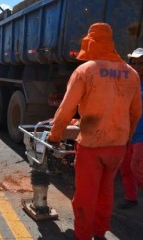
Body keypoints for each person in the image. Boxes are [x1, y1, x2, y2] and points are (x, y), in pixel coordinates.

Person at [46, 23, 142, 240]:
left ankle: (83, 236)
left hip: (91, 145)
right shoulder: (132, 73)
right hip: (117, 146)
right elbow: (136, 112)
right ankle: (99, 232)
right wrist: (127, 138)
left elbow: (65, 110)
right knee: (106, 192)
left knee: (85, 196)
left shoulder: (86, 70)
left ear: (91, 43)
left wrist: (54, 135)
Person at [118, 48, 143, 209]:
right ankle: (131, 198)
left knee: (137, 167)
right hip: (128, 133)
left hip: (142, 134)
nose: (138, 66)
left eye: (141, 63)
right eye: (134, 63)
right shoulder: (128, 81)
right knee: (125, 167)